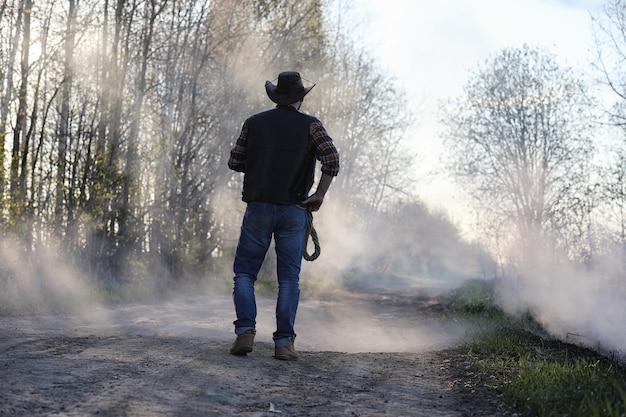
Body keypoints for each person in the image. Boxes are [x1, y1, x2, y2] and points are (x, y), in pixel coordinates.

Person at [227, 71, 340, 360]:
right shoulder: (311, 126)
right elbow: (332, 159)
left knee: (244, 273)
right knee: (289, 279)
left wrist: (262, 163)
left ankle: (245, 333)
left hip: (259, 207)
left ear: (276, 96)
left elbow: (235, 161)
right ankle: (284, 343)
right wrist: (319, 194)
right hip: (295, 209)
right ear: (300, 98)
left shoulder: (254, 123)